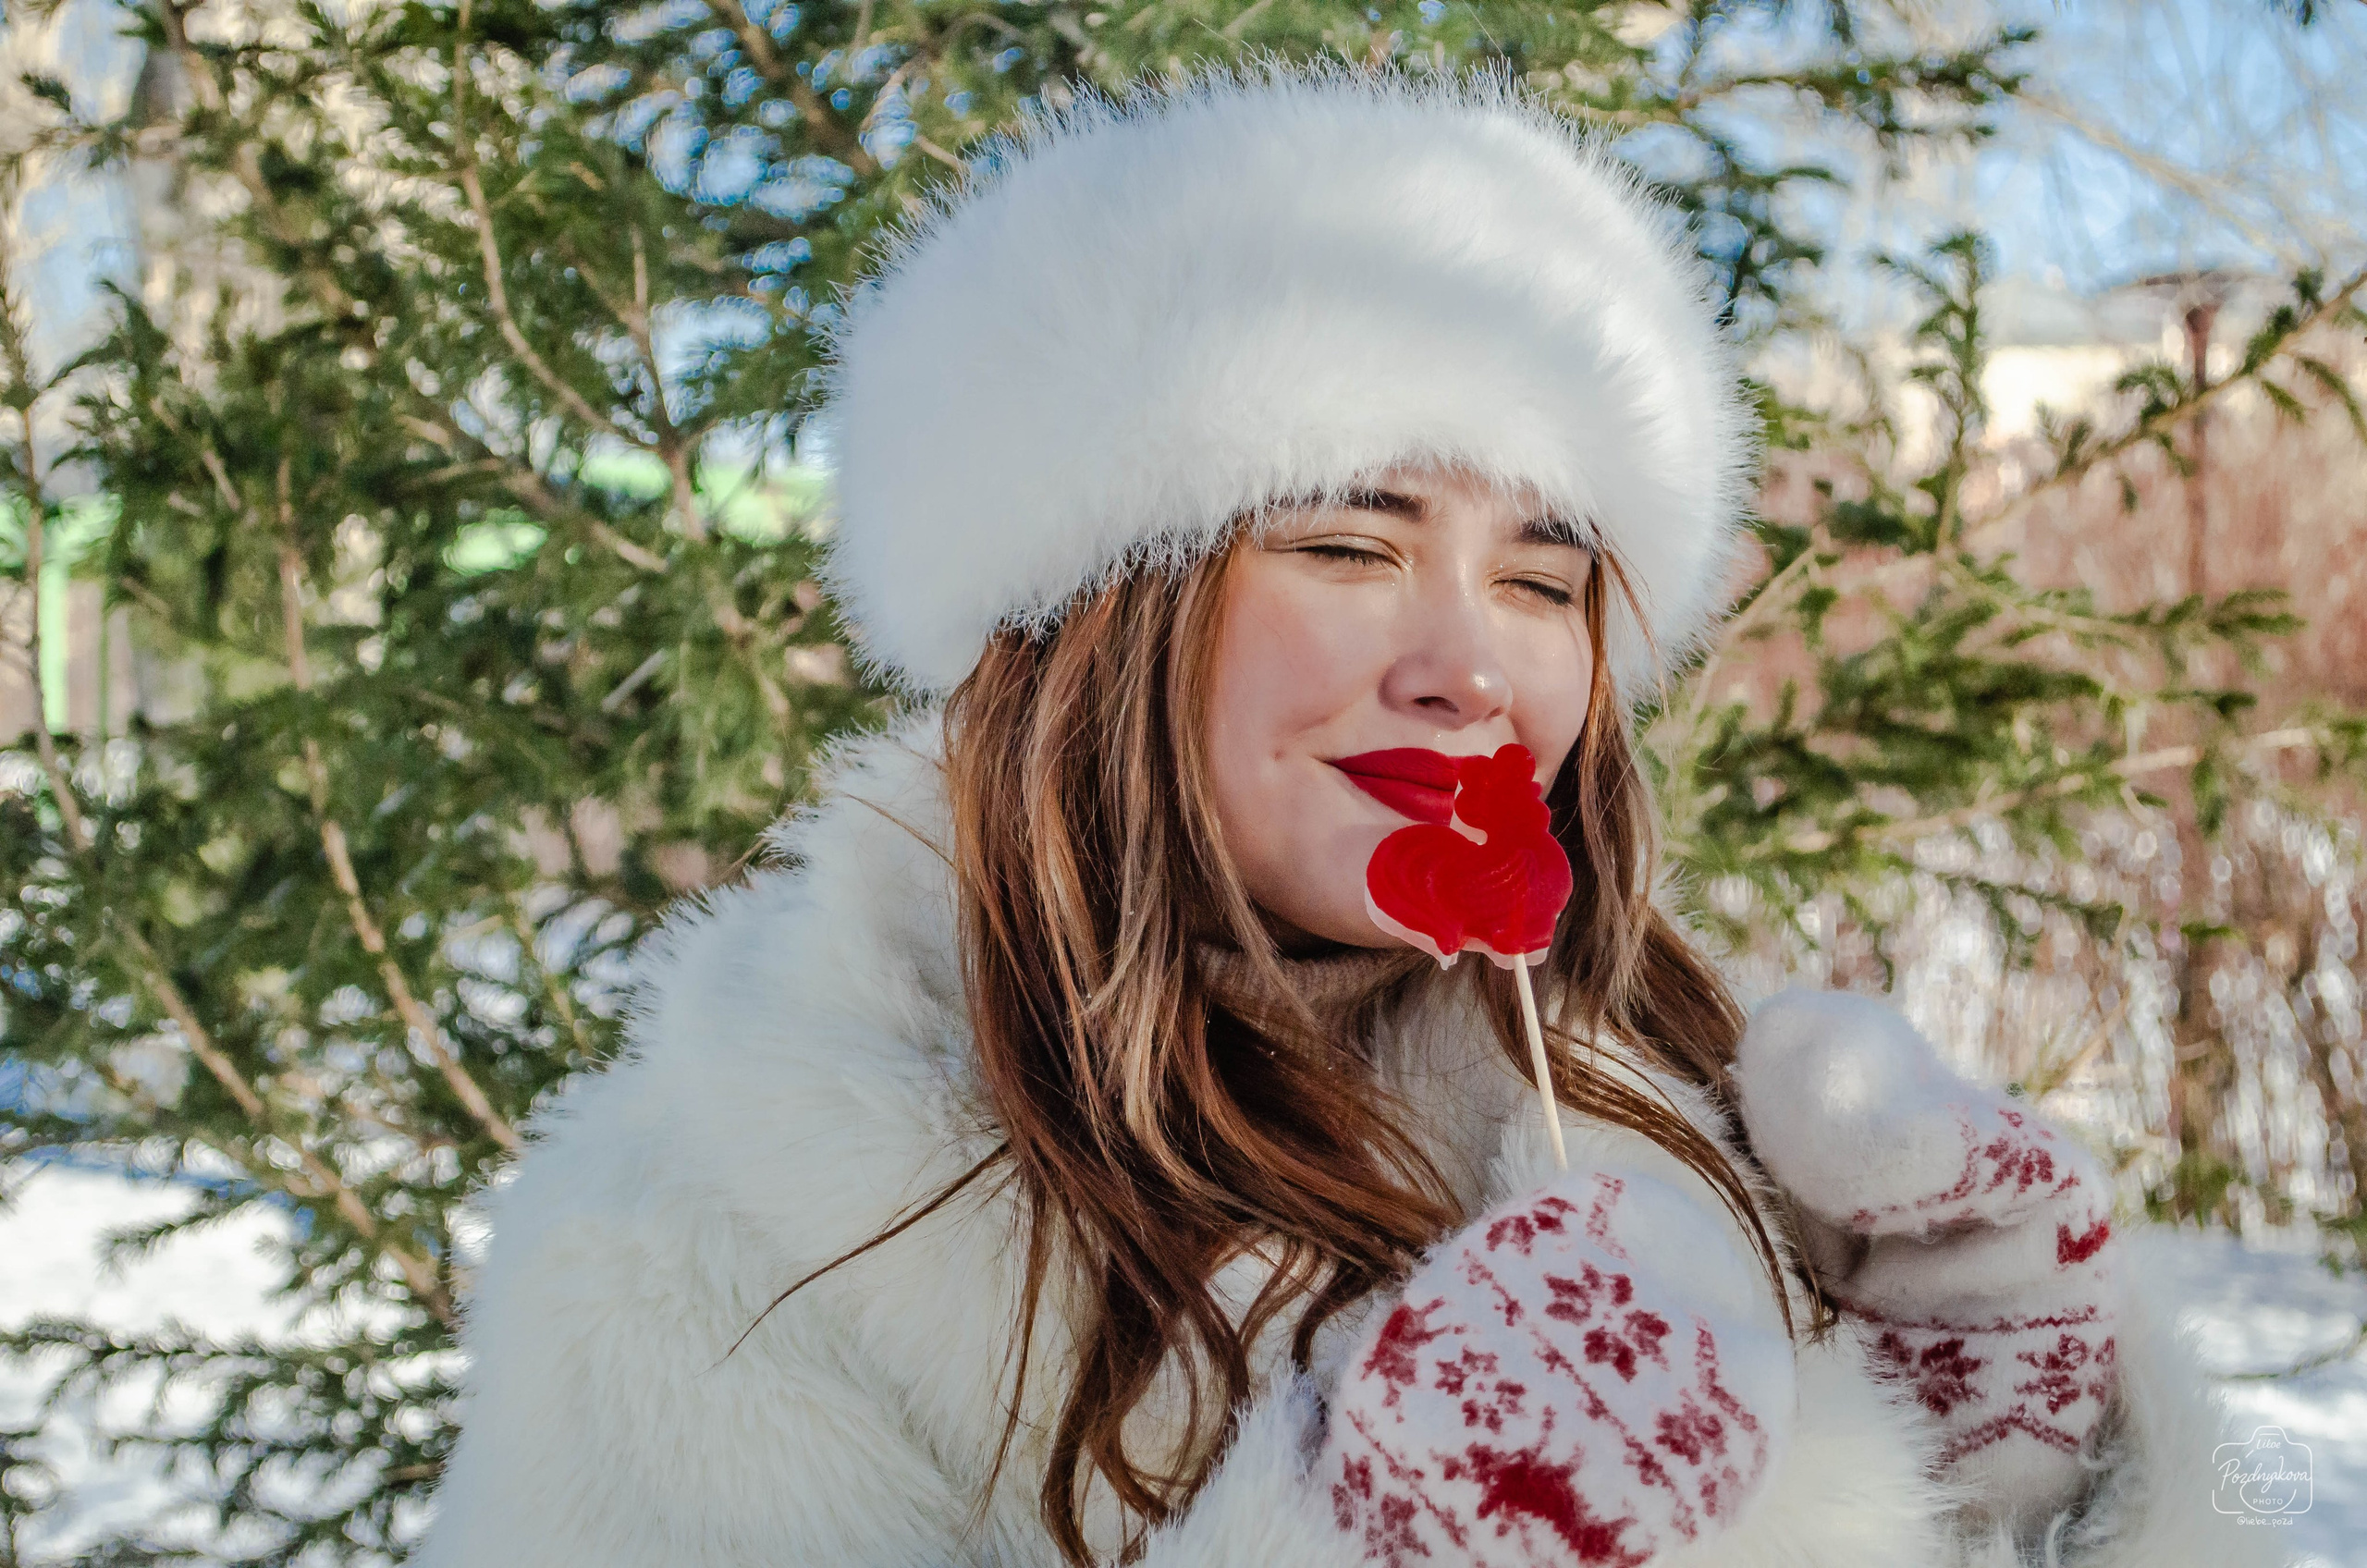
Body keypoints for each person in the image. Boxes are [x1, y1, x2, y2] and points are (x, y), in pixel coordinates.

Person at [417, 71, 2275, 1568]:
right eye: (1344, 544)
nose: (1470, 665)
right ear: (1092, 615)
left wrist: (2020, 1467)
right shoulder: (701, 1254)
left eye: (1546, 582)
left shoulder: (1678, 1114)